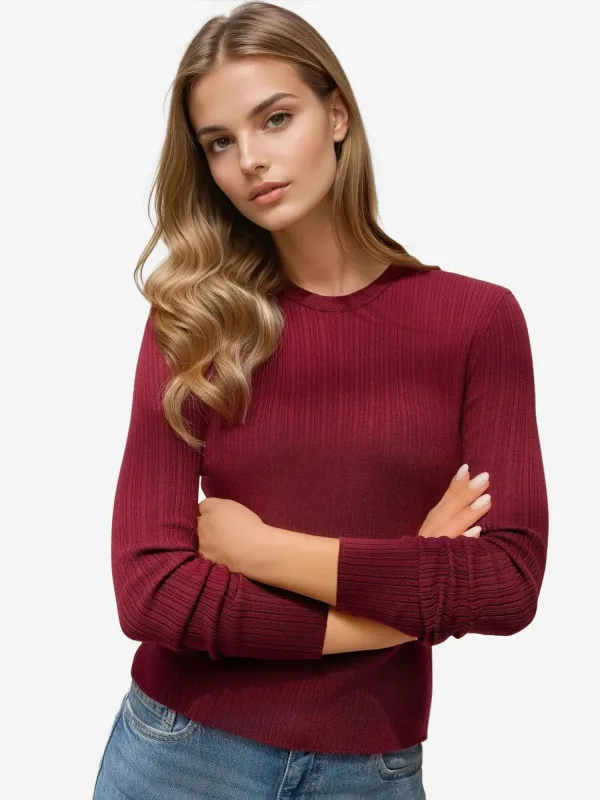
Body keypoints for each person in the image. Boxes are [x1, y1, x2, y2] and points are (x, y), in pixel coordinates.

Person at [93, 3, 549, 798]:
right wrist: (404, 596)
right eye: (219, 142)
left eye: (276, 119)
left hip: (370, 772)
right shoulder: (192, 320)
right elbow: (151, 593)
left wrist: (263, 550)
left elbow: (507, 582)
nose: (251, 161)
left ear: (337, 115)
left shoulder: (477, 321)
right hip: (180, 756)